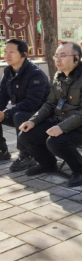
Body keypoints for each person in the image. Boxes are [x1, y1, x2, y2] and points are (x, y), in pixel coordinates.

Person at [18, 42, 82, 187]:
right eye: (56, 55)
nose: (58, 59)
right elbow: (50, 104)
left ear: (76, 58)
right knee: (26, 135)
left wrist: (61, 128)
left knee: (55, 141)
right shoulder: (59, 77)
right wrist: (33, 121)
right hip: (61, 120)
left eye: (62, 55)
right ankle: (48, 164)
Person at [0, 39, 50, 171]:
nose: (7, 55)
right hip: (22, 112)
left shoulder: (35, 73)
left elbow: (31, 104)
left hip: (41, 116)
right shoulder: (8, 71)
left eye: (11, 52)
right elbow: (2, 95)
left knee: (19, 116)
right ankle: (2, 150)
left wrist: (5, 113)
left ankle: (26, 155)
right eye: (5, 52)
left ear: (23, 54)